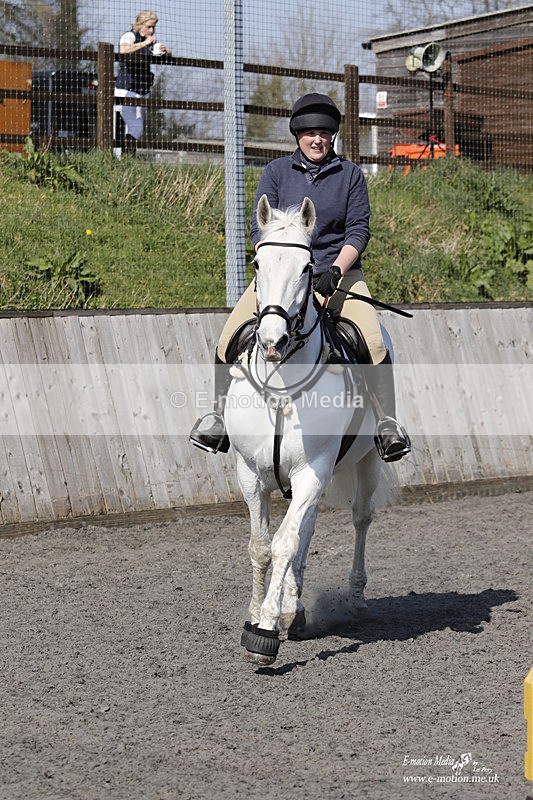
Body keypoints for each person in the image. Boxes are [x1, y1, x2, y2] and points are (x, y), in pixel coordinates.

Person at [190, 93, 410, 462]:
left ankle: (387, 424)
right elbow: (259, 228)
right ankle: (217, 419)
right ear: (297, 135)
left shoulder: (350, 175)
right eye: (309, 133)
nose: (316, 140)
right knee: (228, 337)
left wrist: (336, 269)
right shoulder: (276, 172)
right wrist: (276, 266)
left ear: (332, 136)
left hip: (338, 274)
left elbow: (358, 230)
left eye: (323, 133)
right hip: (282, 276)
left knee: (373, 341)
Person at [114, 10, 170, 155]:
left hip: (143, 91)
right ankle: (126, 159)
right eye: (149, 27)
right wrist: (144, 43)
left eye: (153, 27)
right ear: (139, 24)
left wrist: (165, 51)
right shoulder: (130, 36)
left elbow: (166, 53)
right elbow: (123, 49)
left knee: (131, 129)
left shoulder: (150, 42)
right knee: (136, 128)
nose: (151, 30)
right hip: (127, 90)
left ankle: (121, 159)